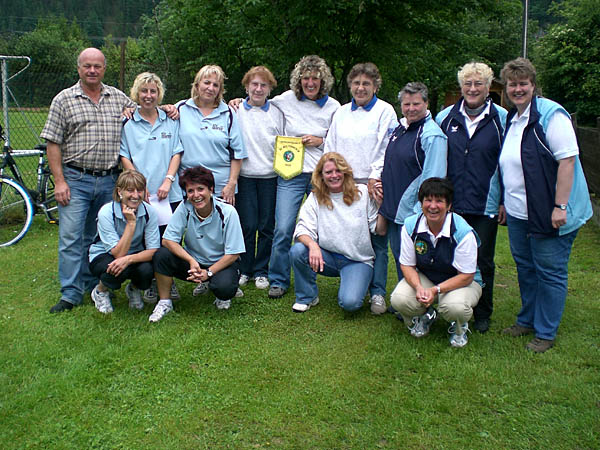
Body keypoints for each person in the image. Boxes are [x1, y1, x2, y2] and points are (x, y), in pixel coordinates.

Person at [498, 58, 592, 353]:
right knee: (526, 267)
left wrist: (560, 206)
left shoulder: (552, 116)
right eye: (512, 84)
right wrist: (502, 201)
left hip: (548, 212)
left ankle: (546, 332)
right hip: (517, 211)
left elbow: (567, 161)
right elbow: (509, 166)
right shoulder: (513, 119)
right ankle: (526, 319)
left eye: (523, 83)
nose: (517, 89)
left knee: (550, 271)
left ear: (533, 85)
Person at [41, 47, 136, 313]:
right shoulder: (64, 100)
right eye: (87, 66)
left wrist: (168, 109)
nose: (92, 70)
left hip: (109, 180)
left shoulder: (118, 98)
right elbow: (53, 143)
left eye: (97, 66)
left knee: (99, 237)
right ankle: (71, 293)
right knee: (71, 237)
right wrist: (59, 181)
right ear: (79, 68)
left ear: (104, 68)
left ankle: (96, 284)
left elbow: (146, 109)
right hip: (75, 178)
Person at [435, 62, 507, 333]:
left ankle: (483, 313)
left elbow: (507, 163)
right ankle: (444, 304)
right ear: (461, 87)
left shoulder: (502, 118)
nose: (473, 89)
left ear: (489, 88)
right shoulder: (445, 117)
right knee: (446, 255)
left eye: (479, 84)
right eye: (468, 84)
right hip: (450, 204)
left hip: (485, 203)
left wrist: (503, 202)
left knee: (482, 260)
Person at [324, 62, 398, 314]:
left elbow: (386, 148)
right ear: (350, 85)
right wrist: (331, 176)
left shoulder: (386, 111)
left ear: (376, 86)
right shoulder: (342, 113)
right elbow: (330, 146)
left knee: (377, 238)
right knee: (351, 235)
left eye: (366, 83)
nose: (361, 87)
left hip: (373, 183)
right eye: (356, 83)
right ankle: (354, 282)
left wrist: (374, 178)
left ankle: (377, 293)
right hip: (343, 184)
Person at [265, 55, 340, 299]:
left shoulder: (334, 107)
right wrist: (237, 101)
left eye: (315, 79)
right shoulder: (286, 100)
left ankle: (316, 275)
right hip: (291, 173)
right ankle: (278, 279)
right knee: (284, 227)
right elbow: (258, 102)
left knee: (321, 230)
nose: (310, 83)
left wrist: (321, 141)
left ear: (323, 81)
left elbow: (340, 139)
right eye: (306, 78)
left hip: (321, 177)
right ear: (299, 80)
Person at [390, 178, 482, 348]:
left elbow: (467, 276)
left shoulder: (462, 231)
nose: (433, 206)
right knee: (399, 299)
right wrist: (419, 288)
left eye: (439, 201)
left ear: (448, 206)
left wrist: (435, 290)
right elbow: (407, 265)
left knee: (455, 307)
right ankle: (427, 315)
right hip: (428, 277)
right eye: (428, 200)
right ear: (421, 203)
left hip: (462, 281)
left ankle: (459, 327)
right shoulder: (410, 225)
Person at [289, 152, 386, 313]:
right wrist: (313, 245)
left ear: (345, 172)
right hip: (327, 258)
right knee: (298, 250)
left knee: (350, 303)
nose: (334, 176)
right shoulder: (315, 197)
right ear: (321, 175)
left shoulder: (361, 193)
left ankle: (362, 281)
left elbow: (380, 230)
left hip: (357, 260)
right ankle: (307, 297)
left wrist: (382, 206)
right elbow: (302, 230)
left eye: (338, 171)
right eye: (328, 172)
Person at [149, 166, 245, 322]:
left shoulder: (228, 212)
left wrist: (209, 273)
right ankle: (165, 302)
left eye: (201, 189)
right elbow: (167, 240)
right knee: (162, 255)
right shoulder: (184, 207)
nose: (196, 195)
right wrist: (191, 261)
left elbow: (234, 253)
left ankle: (218, 287)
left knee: (225, 289)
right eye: (190, 191)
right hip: (195, 263)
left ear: (211, 189)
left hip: (221, 263)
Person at [120, 72, 184, 302]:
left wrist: (168, 180)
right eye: (144, 91)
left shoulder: (170, 120)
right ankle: (147, 283)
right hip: (141, 195)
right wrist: (138, 184)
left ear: (160, 94)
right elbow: (124, 156)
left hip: (168, 193)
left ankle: (167, 280)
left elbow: (177, 152)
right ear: (136, 94)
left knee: (169, 239)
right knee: (147, 239)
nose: (148, 96)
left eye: (153, 91)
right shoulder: (127, 122)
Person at [380, 82, 447, 281]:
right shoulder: (400, 129)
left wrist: (421, 214)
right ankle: (406, 304)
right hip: (394, 210)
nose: (411, 109)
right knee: (401, 258)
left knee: (415, 262)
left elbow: (434, 179)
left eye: (416, 104)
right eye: (406, 104)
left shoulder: (431, 135)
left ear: (426, 104)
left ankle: (418, 306)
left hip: (413, 214)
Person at [235, 66, 284, 291]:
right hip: (244, 176)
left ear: (270, 89)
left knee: (266, 226)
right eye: (254, 84)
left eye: (263, 85)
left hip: (270, 178)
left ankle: (262, 271)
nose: (258, 88)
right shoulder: (234, 110)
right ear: (246, 86)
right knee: (248, 225)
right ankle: (244, 269)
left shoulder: (277, 112)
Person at [88, 170, 160, 313]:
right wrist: (131, 224)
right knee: (116, 268)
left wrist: (129, 259)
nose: (135, 195)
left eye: (140, 190)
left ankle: (134, 288)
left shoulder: (149, 212)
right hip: (105, 254)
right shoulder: (106, 212)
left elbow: (153, 251)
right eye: (130, 190)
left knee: (147, 270)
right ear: (119, 191)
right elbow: (118, 253)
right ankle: (100, 291)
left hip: (133, 254)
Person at [177, 65, 246, 205]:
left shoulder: (228, 113)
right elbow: (155, 114)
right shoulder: (180, 109)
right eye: (207, 83)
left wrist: (231, 184)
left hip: (221, 187)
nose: (210, 88)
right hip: (189, 186)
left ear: (220, 90)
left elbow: (237, 153)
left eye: (216, 85)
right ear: (197, 85)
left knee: (222, 225)